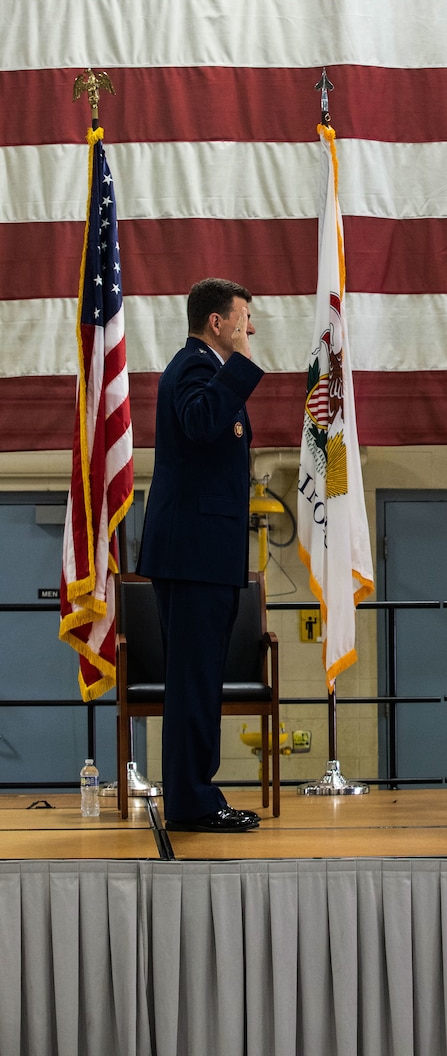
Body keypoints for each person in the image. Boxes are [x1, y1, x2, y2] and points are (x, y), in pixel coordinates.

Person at [136, 277, 265, 832]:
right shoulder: (195, 367)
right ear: (218, 322)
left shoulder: (207, 370)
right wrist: (240, 367)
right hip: (192, 556)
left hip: (203, 555)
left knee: (202, 679)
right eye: (244, 318)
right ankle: (192, 800)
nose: (250, 328)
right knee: (194, 681)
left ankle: (196, 793)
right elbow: (200, 421)